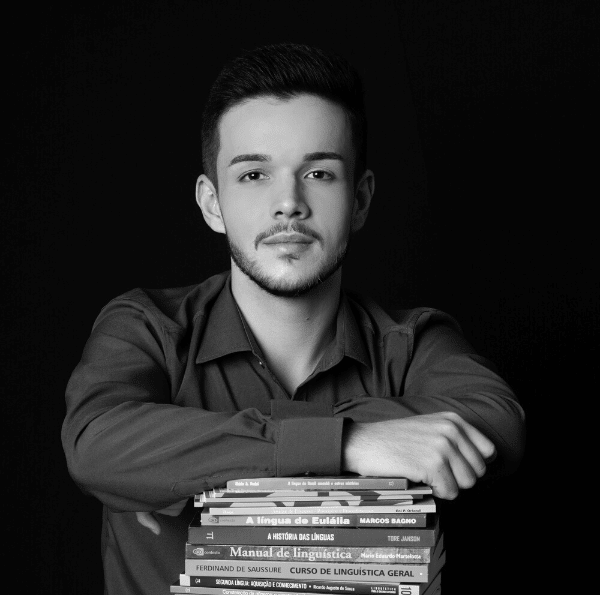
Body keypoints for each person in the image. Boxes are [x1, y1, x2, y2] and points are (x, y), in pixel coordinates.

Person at [62, 43, 525, 595]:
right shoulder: (146, 327)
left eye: (320, 173)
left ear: (360, 199)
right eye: (255, 174)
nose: (289, 203)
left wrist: (195, 461)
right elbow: (95, 442)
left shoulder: (414, 342)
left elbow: (497, 424)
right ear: (212, 203)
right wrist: (349, 443)